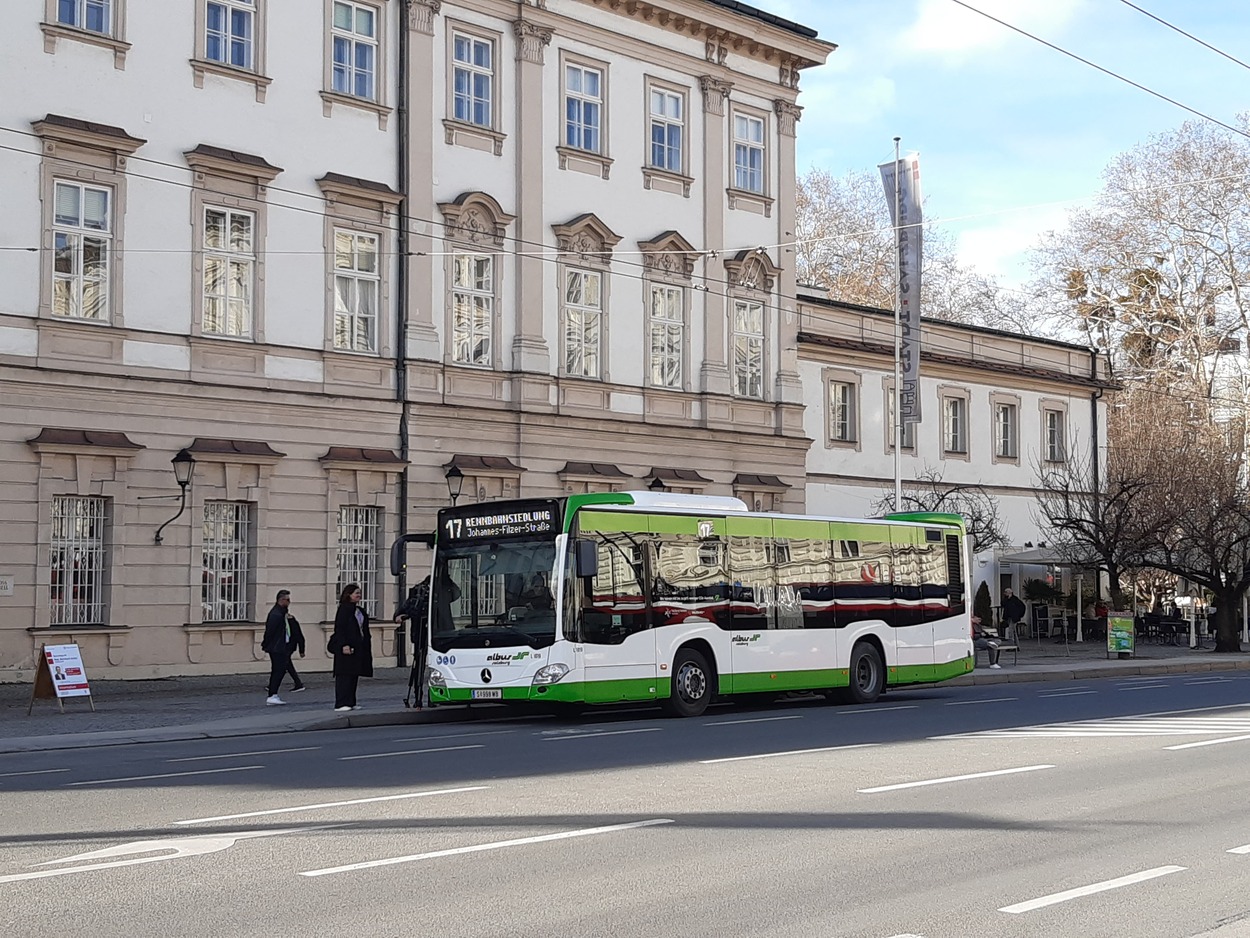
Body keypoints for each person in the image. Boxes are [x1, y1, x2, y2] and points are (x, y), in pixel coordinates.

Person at [330, 583, 372, 712]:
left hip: (358, 647)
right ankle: (341, 702)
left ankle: (351, 701)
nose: (359, 595)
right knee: (344, 675)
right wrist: (344, 644)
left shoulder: (359, 610)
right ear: (349, 595)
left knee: (354, 675)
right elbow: (340, 629)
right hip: (346, 648)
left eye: (359, 593)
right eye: (356, 593)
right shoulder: (344, 609)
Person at [261, 589, 306, 705]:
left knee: (279, 670)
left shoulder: (282, 613)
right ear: (281, 600)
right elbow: (270, 631)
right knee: (278, 670)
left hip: (281, 646)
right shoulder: (276, 614)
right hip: (277, 647)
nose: (289, 602)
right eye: (287, 600)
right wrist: (266, 644)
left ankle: (273, 693)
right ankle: (272, 694)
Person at [394, 576, 431, 709]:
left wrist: (404, 615)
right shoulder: (418, 594)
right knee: (420, 665)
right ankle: (420, 696)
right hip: (425, 633)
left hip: (423, 633)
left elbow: (402, 612)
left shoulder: (416, 592)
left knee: (420, 666)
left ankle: (419, 697)